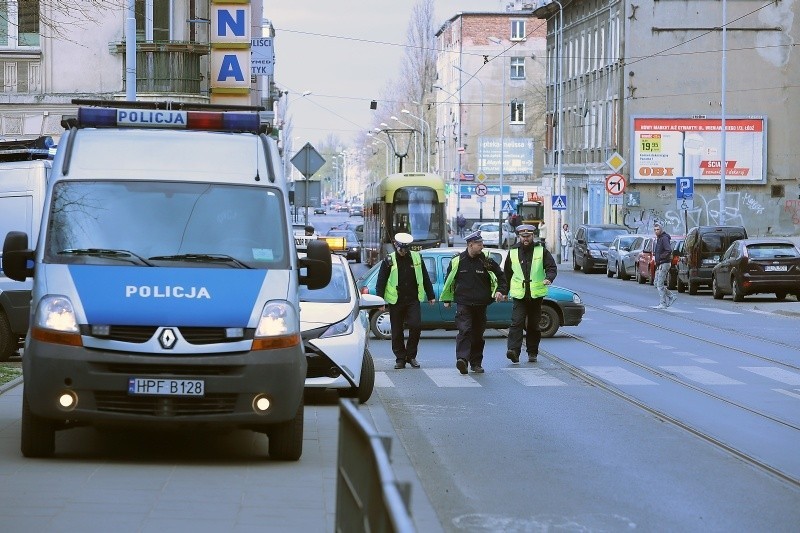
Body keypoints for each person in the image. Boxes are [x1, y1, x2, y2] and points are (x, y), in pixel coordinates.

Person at [440, 230, 508, 374]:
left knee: (477, 335)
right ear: (471, 245)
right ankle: (462, 360)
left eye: (482, 243)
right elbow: (449, 281)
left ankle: (476, 363)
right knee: (464, 331)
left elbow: (501, 276)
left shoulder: (486, 261)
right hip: (463, 303)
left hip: (481, 304)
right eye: (479, 244)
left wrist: (501, 291)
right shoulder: (457, 261)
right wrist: (447, 299)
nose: (482, 246)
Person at [376, 232, 436, 369]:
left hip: (413, 300)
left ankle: (411, 356)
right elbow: (381, 281)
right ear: (396, 246)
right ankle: (400, 358)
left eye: (405, 249)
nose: (403, 252)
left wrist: (431, 295)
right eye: (401, 249)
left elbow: (425, 277)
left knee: (416, 326)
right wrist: (380, 301)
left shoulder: (416, 258)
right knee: (397, 331)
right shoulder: (389, 260)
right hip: (396, 301)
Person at [504, 224, 558, 364]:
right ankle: (513, 351)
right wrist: (503, 291)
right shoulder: (513, 252)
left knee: (533, 325)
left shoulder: (541, 251)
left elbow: (551, 267)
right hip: (519, 294)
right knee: (516, 322)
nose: (525, 239)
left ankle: (532, 352)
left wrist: (549, 278)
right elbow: (507, 274)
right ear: (519, 237)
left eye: (528, 236)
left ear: (533, 236)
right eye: (523, 236)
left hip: (536, 294)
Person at [652, 222, 677, 309]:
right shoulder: (659, 238)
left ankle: (663, 303)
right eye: (655, 230)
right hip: (660, 263)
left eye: (658, 229)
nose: (656, 231)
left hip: (664, 263)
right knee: (656, 283)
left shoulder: (664, 238)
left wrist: (661, 258)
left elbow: (668, 250)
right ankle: (671, 296)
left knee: (659, 284)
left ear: (661, 229)